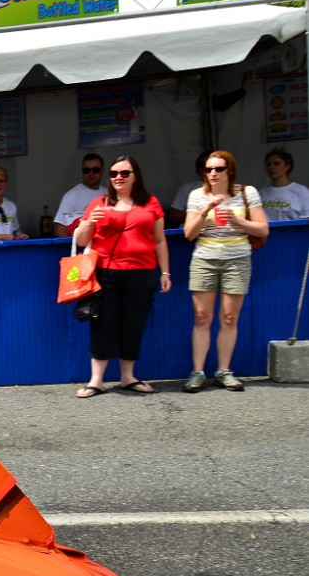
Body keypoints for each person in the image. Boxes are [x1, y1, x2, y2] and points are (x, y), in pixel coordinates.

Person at [72, 156, 171, 398]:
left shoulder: (151, 203)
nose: (118, 177)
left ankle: (128, 377)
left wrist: (165, 271)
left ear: (136, 176)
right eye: (114, 173)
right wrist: (88, 224)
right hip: (106, 272)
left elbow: (159, 240)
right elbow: (81, 240)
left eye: (125, 173)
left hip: (142, 272)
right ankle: (96, 380)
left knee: (133, 324)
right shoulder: (99, 203)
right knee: (102, 324)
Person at [181, 150, 269, 393]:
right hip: (204, 259)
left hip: (237, 259)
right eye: (209, 169)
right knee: (201, 317)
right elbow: (189, 234)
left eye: (218, 169)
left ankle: (223, 371)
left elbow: (263, 230)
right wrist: (205, 211)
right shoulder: (197, 195)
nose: (213, 174)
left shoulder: (246, 192)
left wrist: (237, 220)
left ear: (229, 170)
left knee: (230, 317)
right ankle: (198, 372)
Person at [54, 153, 106, 237]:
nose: (91, 173)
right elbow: (61, 228)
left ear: (102, 171)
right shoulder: (71, 196)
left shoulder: (108, 194)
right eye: (86, 170)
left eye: (95, 170)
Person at [258, 147, 309, 222]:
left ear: (287, 166)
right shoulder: (261, 193)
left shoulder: (301, 191)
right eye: (268, 165)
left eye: (277, 164)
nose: (272, 167)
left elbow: (306, 218)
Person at [166, 150, 211, 228]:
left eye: (209, 164)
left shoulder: (231, 190)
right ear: (197, 168)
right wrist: (200, 214)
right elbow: (173, 215)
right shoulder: (188, 189)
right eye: (202, 165)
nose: (205, 168)